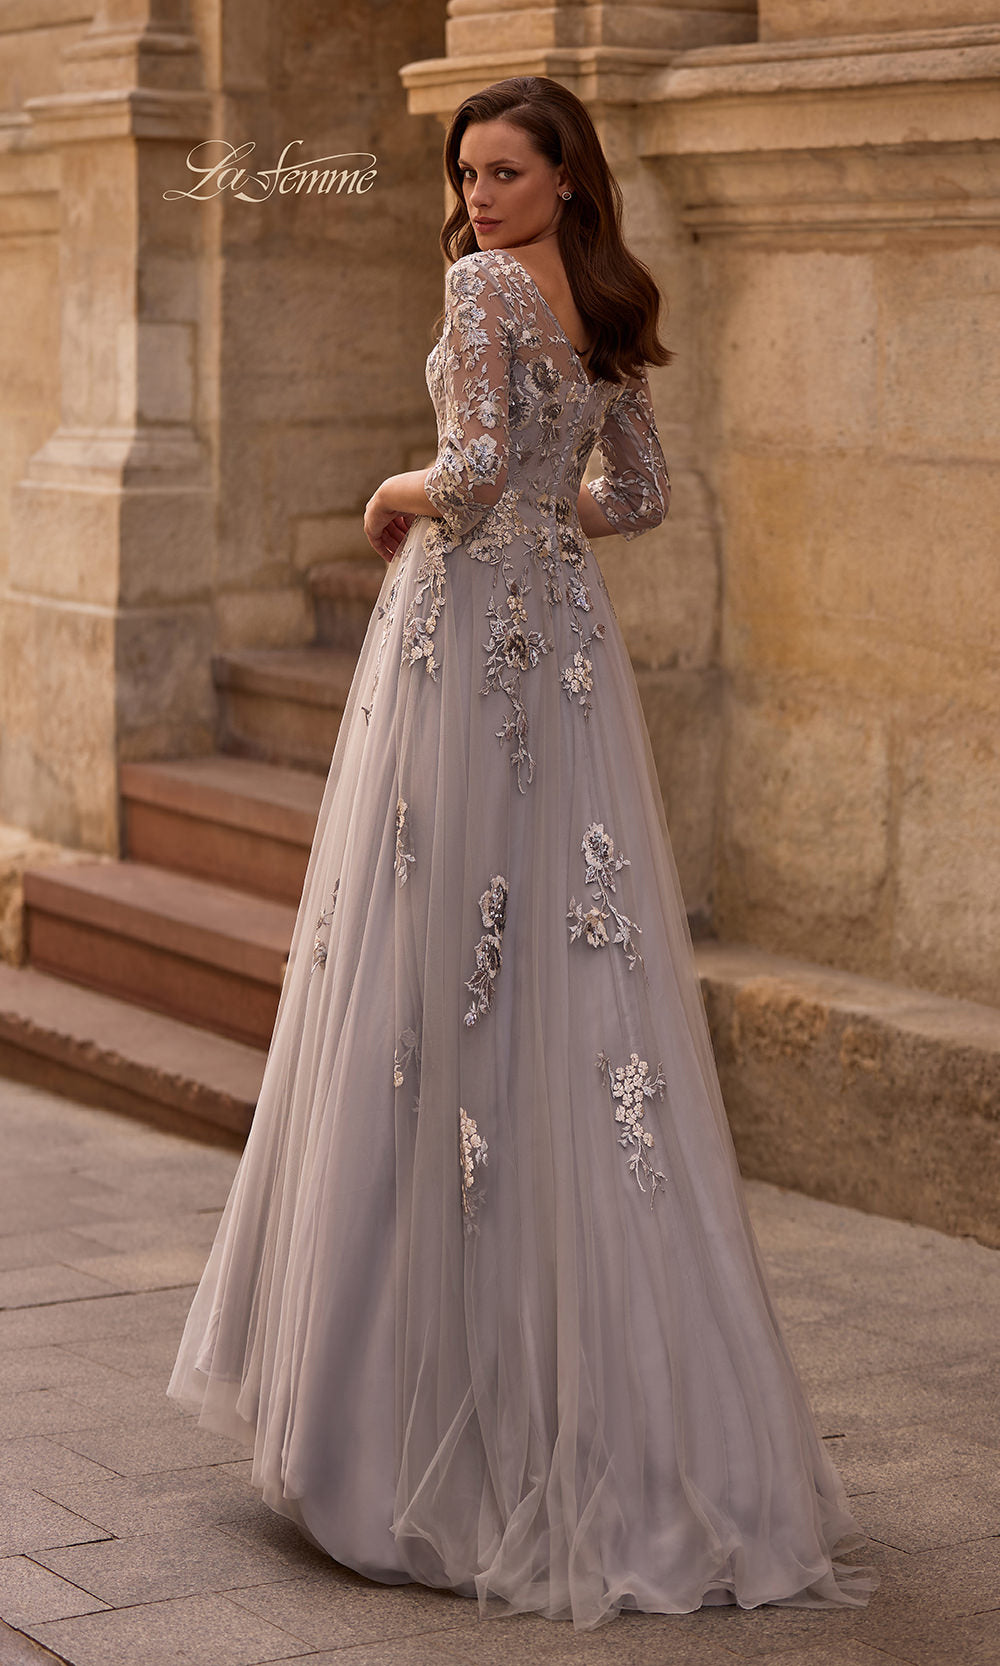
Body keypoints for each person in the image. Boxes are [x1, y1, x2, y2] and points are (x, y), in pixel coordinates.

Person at [167, 74, 879, 1633]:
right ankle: (583, 1413)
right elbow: (639, 490)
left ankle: (403, 1427)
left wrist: (395, 489)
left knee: (429, 985)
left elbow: (478, 470)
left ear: (567, 178)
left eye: (506, 169)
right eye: (466, 170)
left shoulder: (484, 286)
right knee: (551, 981)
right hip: (559, 657)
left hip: (464, 633)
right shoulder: (603, 298)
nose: (479, 195)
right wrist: (555, 525)